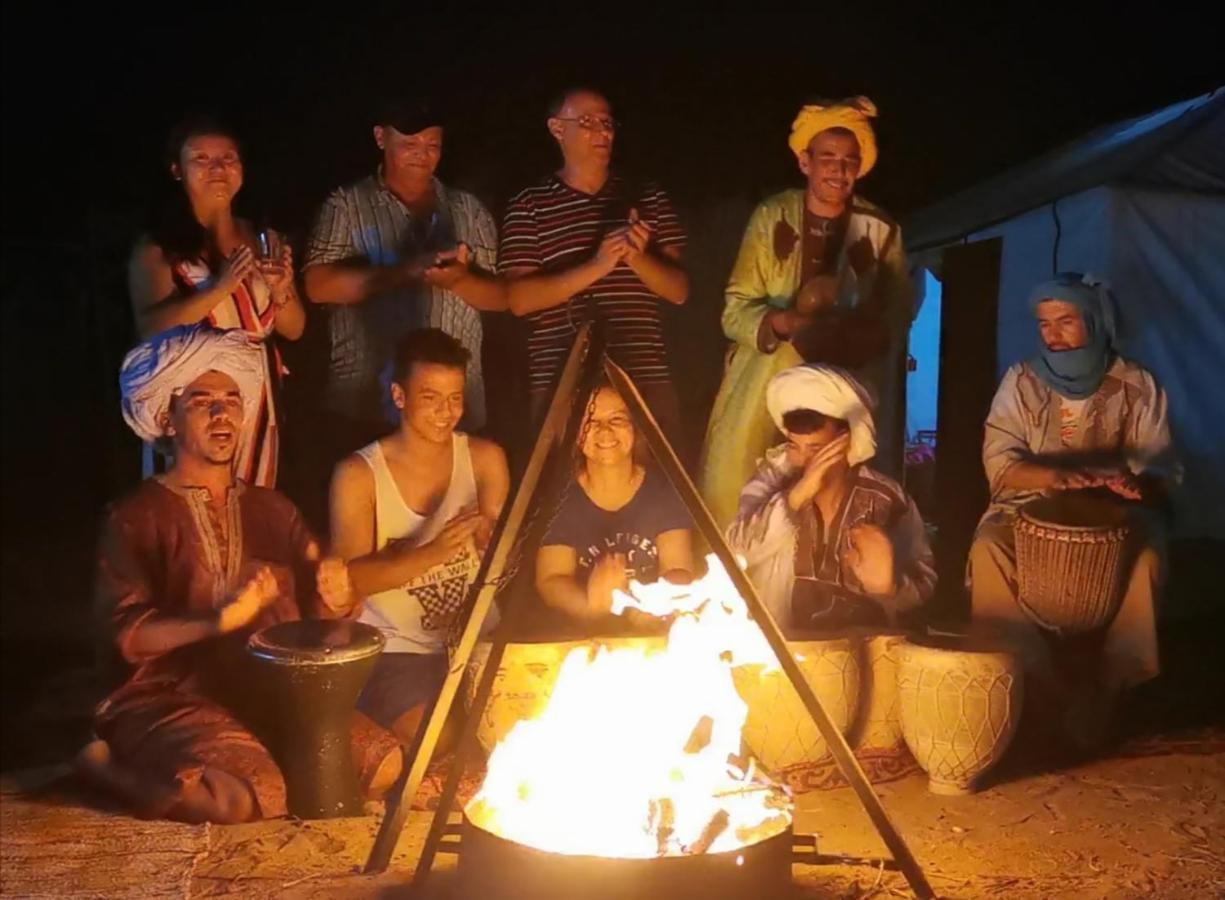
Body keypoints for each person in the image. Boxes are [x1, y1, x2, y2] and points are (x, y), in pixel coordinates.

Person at [77, 325, 399, 823]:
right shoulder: (134, 515)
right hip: (164, 695)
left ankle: (262, 757)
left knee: (383, 764)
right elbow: (125, 637)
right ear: (168, 417)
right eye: (203, 401)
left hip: (266, 687)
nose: (223, 413)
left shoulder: (274, 509)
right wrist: (218, 620)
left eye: (232, 400)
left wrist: (338, 598)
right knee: (246, 799)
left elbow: (319, 614)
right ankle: (103, 769)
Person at [968, 273, 1177, 748]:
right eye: (1044, 323)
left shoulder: (1136, 383)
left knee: (1147, 557)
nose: (1053, 334)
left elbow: (1159, 464)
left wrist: (1132, 483)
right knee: (988, 548)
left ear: (1095, 320)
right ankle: (1033, 679)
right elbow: (1000, 461)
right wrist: (1052, 478)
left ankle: (1111, 684)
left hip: (1113, 512)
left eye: (1066, 321)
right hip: (1030, 504)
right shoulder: (1021, 381)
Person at [700, 97, 912, 528]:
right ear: (805, 161)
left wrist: (863, 335)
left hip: (842, 384)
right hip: (766, 379)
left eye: (849, 160)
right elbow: (735, 311)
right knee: (737, 486)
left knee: (836, 496)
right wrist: (786, 323)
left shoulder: (880, 229)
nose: (838, 170)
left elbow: (898, 310)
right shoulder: (771, 216)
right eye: (827, 158)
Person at [329, 328, 509, 745]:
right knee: (437, 739)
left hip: (477, 641)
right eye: (430, 398)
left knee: (508, 731)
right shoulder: (359, 475)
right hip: (398, 648)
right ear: (399, 396)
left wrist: (492, 539)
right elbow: (350, 582)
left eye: (455, 398)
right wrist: (432, 553)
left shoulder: (484, 459)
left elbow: (501, 551)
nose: (446, 413)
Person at [304, 97, 504, 459]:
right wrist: (409, 270)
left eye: (432, 146)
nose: (421, 155)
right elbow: (318, 286)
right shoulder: (345, 205)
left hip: (455, 410)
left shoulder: (469, 210)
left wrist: (460, 280)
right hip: (366, 407)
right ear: (381, 138)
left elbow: (499, 296)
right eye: (409, 144)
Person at [499, 87, 689, 450]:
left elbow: (678, 290)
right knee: (562, 493)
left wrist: (635, 256)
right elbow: (520, 300)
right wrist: (598, 265)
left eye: (607, 123)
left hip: (642, 372)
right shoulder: (530, 205)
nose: (602, 132)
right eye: (587, 122)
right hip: (562, 378)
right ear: (557, 128)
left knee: (656, 488)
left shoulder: (645, 196)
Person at [129, 116, 304, 486]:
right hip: (192, 404)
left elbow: (294, 328)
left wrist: (281, 289)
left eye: (228, 158)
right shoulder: (159, 250)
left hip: (255, 403)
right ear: (178, 169)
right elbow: (150, 328)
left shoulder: (263, 238)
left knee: (250, 508)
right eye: (202, 159)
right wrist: (219, 288)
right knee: (190, 512)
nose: (218, 169)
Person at [727, 364, 934, 631]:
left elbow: (923, 586)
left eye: (817, 449)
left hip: (864, 653)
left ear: (845, 441)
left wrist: (890, 587)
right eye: (794, 446)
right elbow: (738, 551)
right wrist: (797, 495)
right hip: (786, 652)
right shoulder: (771, 481)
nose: (805, 460)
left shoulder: (886, 498)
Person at [535, 381, 695, 636]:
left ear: (636, 427)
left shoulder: (664, 490)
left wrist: (651, 606)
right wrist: (591, 607)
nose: (605, 431)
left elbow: (680, 568)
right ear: (575, 433)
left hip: (652, 636)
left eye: (617, 419)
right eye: (591, 421)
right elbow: (551, 580)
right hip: (580, 639)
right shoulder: (560, 499)